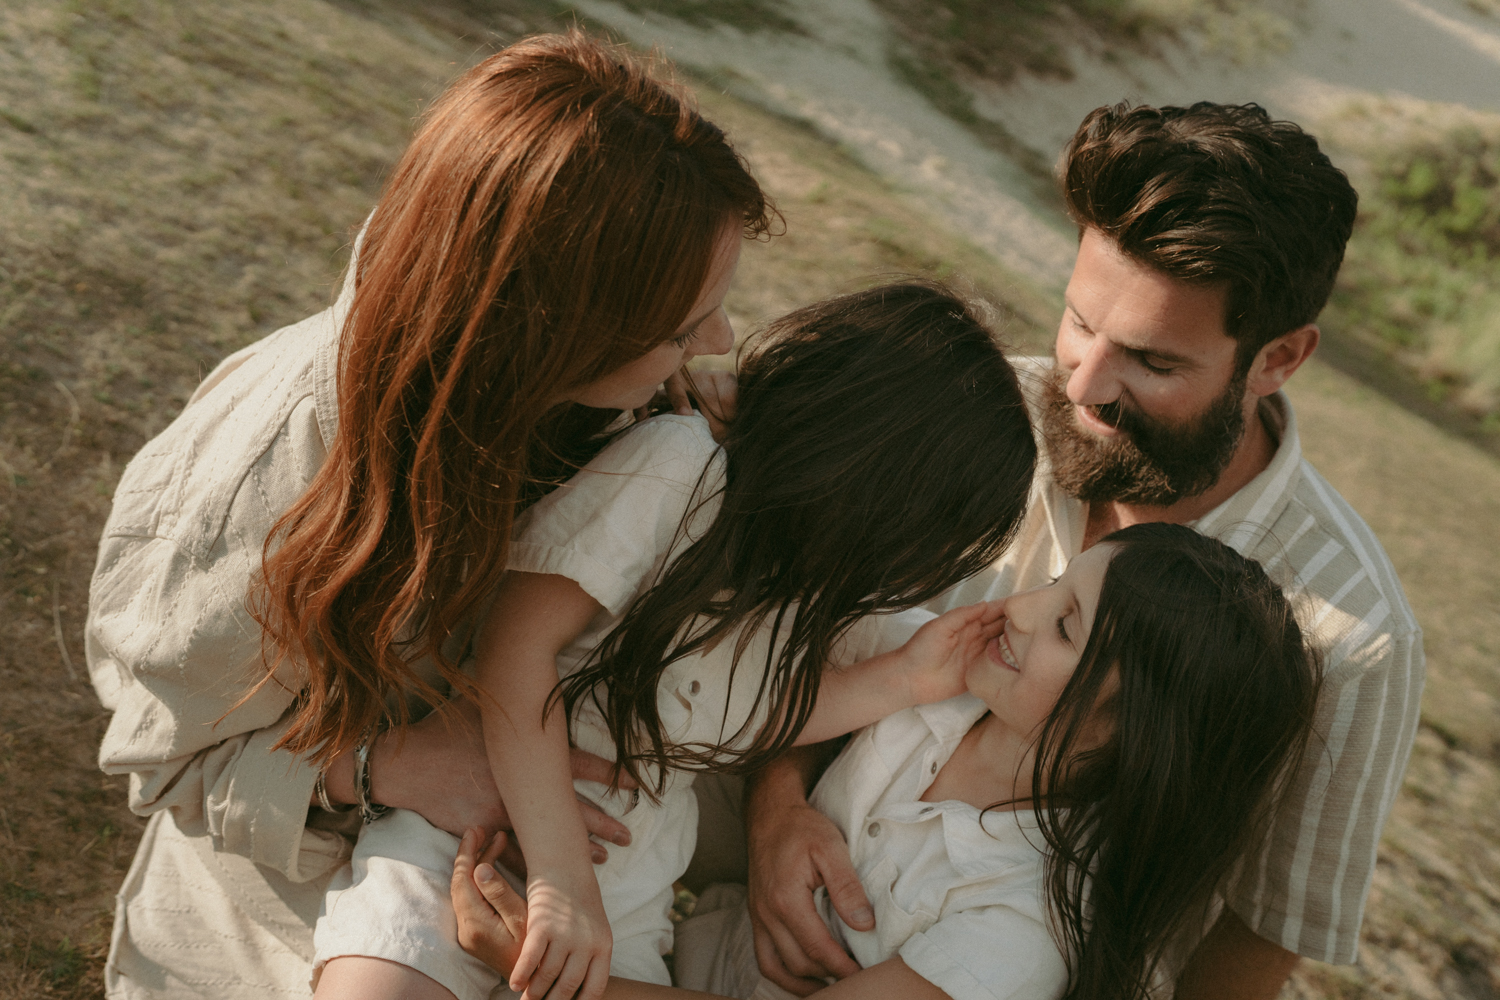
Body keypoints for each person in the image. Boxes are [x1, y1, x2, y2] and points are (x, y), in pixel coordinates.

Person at [83, 31, 776, 1000]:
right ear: (550, 326)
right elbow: (166, 762)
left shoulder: (587, 397)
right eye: (681, 323)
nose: (716, 340)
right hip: (314, 909)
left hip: (523, 842)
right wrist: (388, 764)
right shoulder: (269, 471)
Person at [739, 101, 1424, 1000]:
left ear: (1278, 358)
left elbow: (1260, 935)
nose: (1083, 386)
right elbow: (802, 618)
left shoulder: (1357, 636)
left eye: (1152, 361)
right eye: (1078, 322)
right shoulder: (987, 414)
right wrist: (774, 813)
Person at [311, 283, 1039, 1000]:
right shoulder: (676, 468)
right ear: (868, 490)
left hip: (627, 879)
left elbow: (749, 711)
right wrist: (560, 882)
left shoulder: (815, 590)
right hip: (478, 826)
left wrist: (906, 678)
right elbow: (514, 649)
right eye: (918, 548)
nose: (907, 576)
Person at [452, 523, 1322, 1000]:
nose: (1017, 610)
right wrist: (782, 804)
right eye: (1054, 586)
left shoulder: (1022, 930)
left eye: (1064, 625)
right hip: (682, 950)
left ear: (1127, 741)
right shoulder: (955, 680)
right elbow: (788, 679)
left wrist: (559, 974)